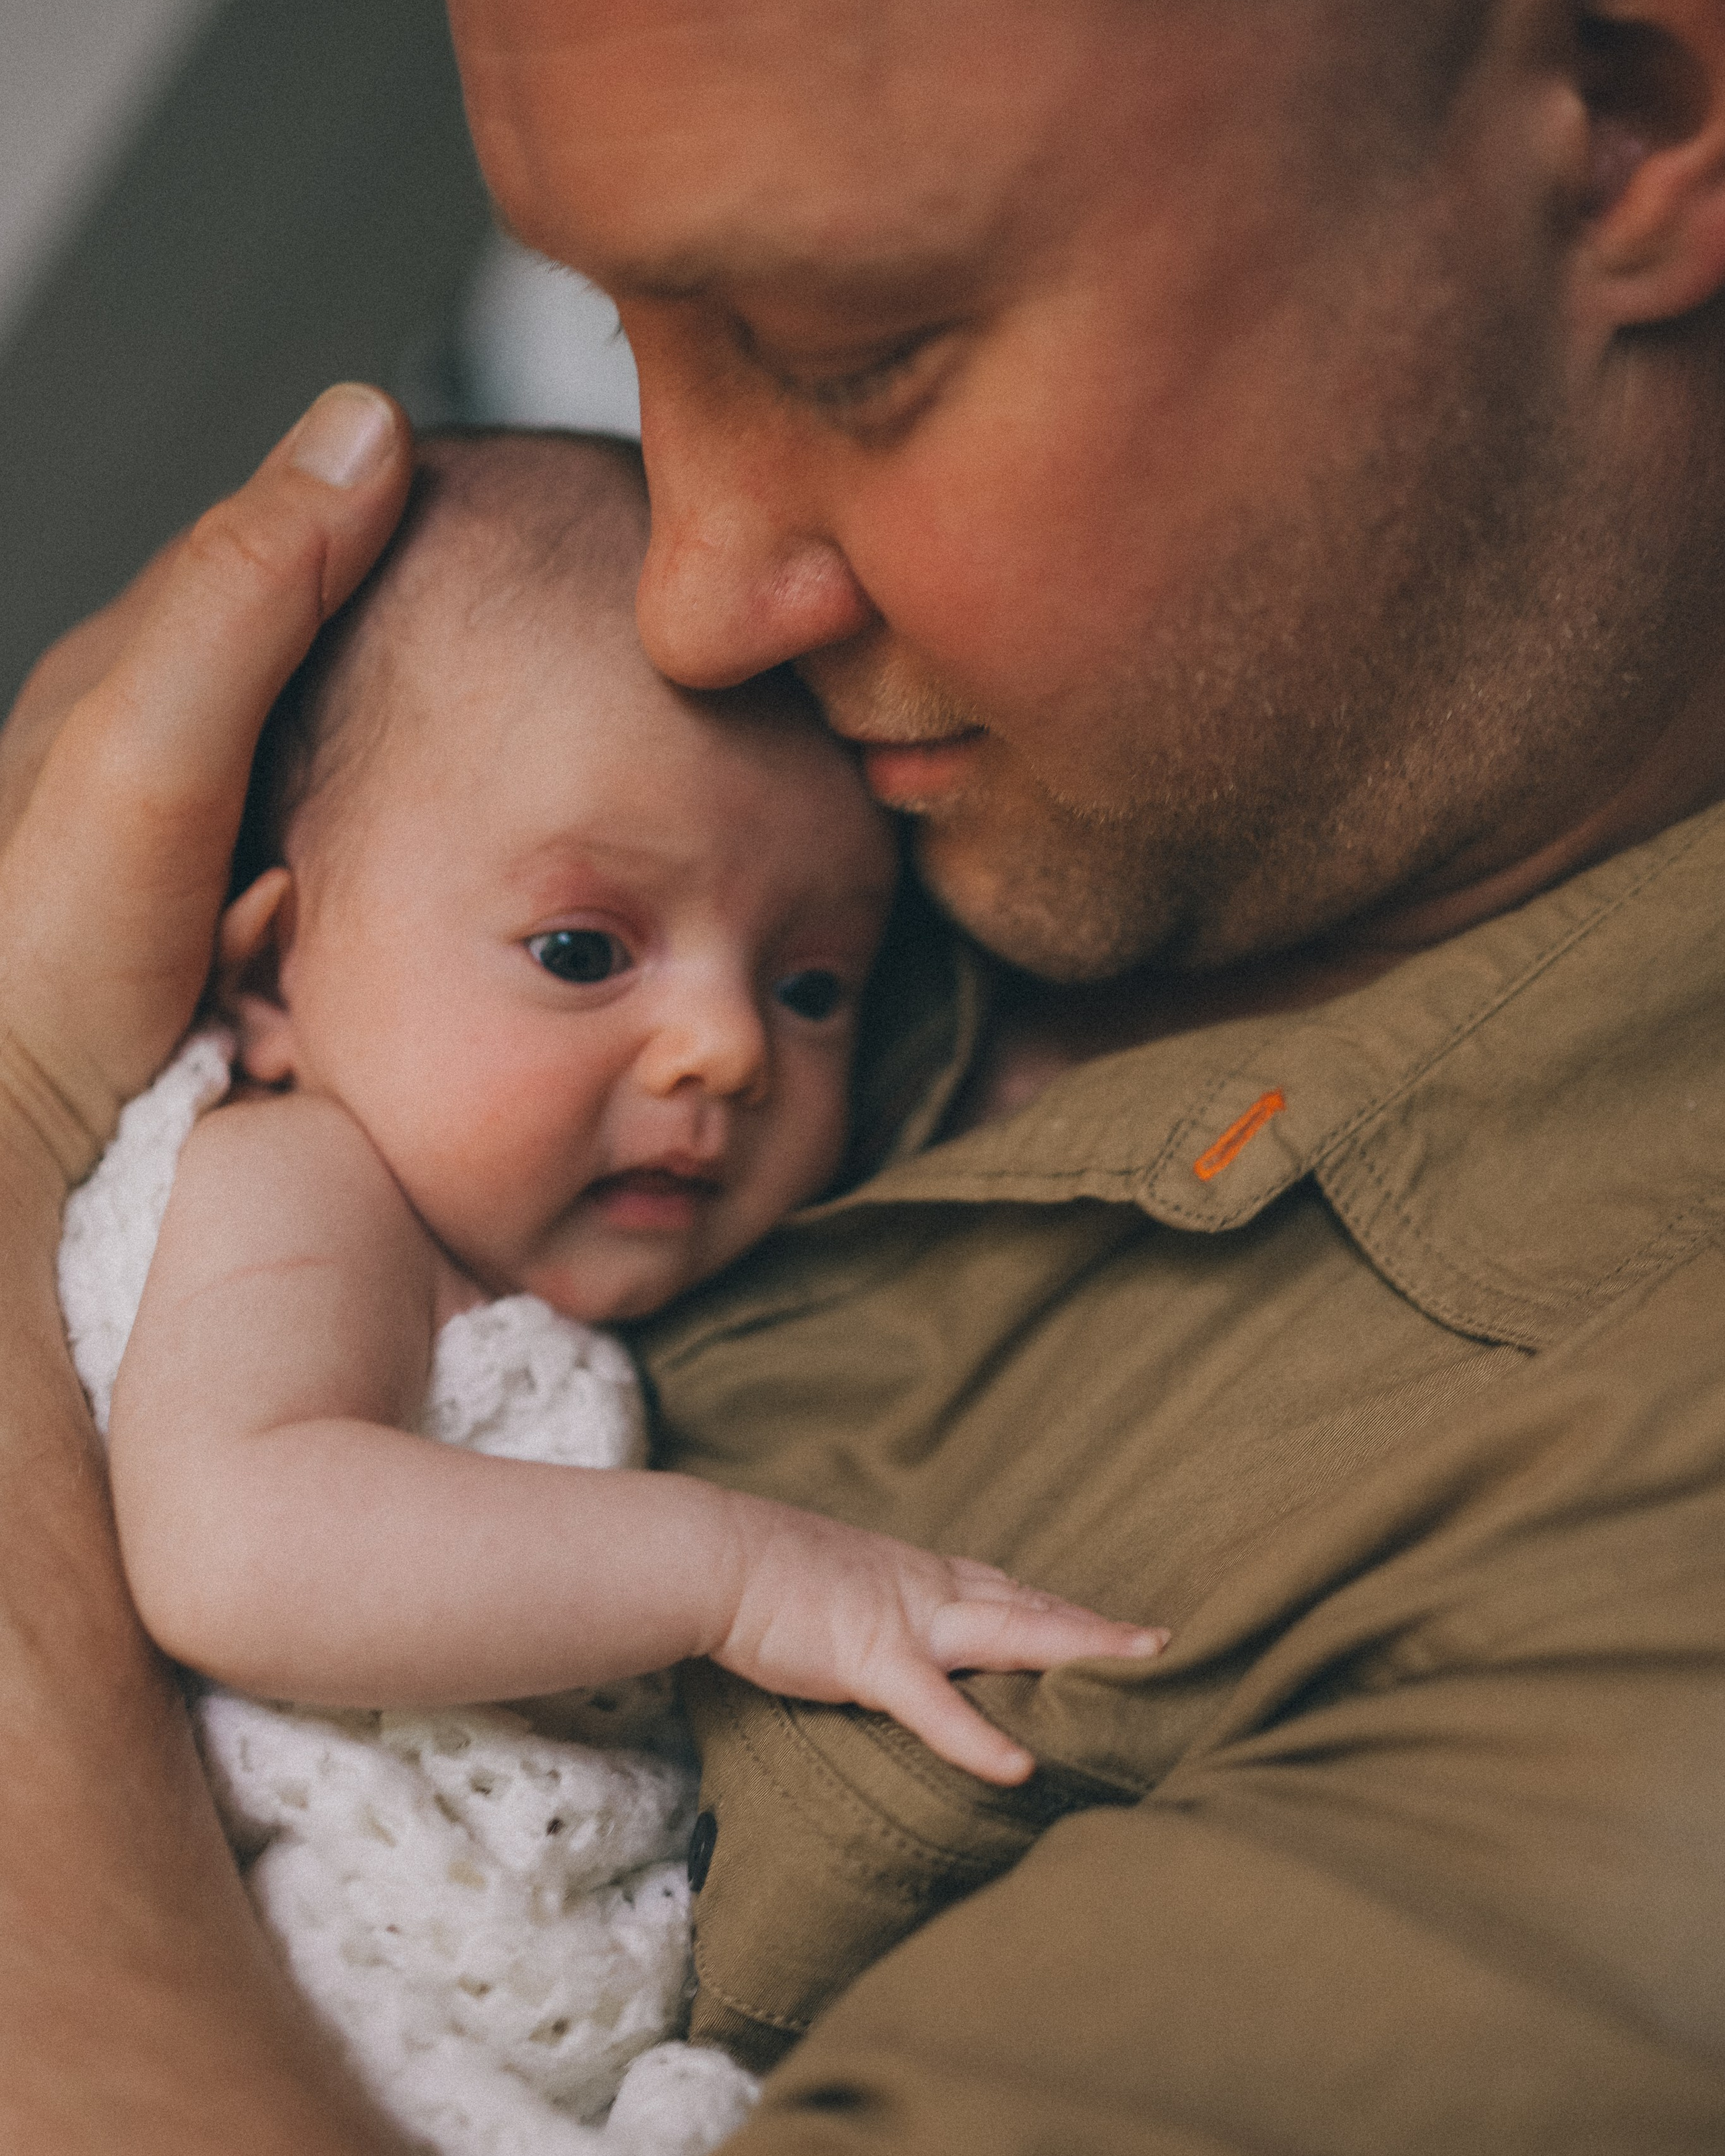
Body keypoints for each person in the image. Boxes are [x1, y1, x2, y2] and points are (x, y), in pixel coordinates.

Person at [3, 1, 1725, 2149]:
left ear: (1629, 121)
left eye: (849, 354)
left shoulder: (1625, 1536)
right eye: (630, 344)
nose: (695, 597)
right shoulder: (396, 1007)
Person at [82, 426, 1153, 2152]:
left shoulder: (488, 1249)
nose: (725, 1044)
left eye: (814, 985)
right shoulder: (297, 1176)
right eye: (584, 951)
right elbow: (234, 1532)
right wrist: (738, 1572)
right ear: (273, 970)